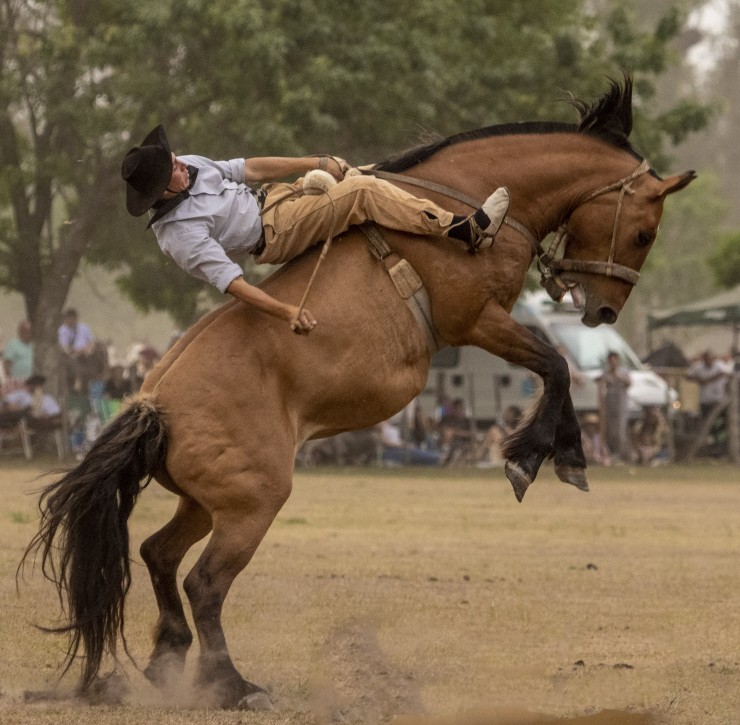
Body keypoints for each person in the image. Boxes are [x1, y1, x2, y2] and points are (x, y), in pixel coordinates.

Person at [121, 125, 511, 334]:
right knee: (361, 191)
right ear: (161, 192)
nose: (182, 165)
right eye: (173, 169)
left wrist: (314, 162)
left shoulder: (187, 166)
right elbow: (234, 284)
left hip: (276, 196)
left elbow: (249, 168)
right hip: (274, 234)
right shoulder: (179, 237)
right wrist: (285, 311)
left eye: (174, 158)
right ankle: (464, 230)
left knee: (361, 171)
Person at [598, 351, 631, 463]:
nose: (612, 363)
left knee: (620, 430)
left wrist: (618, 376)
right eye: (610, 361)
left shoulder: (623, 371)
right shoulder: (607, 373)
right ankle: (613, 454)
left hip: (621, 404)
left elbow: (629, 383)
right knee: (611, 430)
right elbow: (598, 381)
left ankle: (623, 455)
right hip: (609, 404)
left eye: (614, 360)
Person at [2, 320, 34, 388]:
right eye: (25, 331)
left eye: (29, 331)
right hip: (17, 382)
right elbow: (7, 364)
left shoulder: (34, 345)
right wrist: (10, 380)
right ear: (20, 332)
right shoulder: (13, 344)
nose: (28, 334)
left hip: (32, 381)